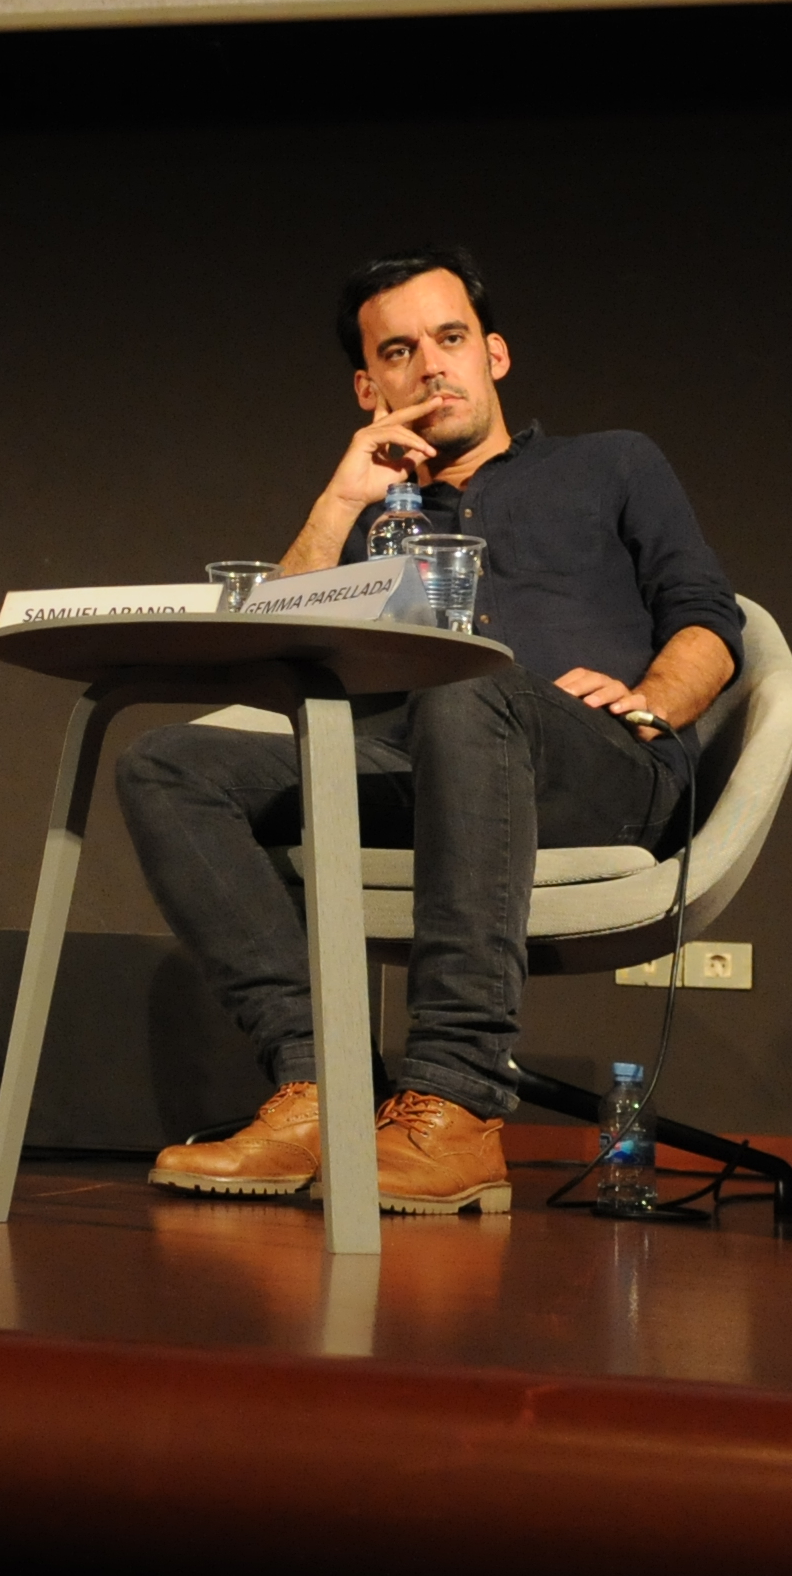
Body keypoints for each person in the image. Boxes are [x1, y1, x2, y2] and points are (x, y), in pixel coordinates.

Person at [120, 247, 741, 1213]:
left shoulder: (612, 461)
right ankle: (321, 1086)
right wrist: (339, 502)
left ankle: (456, 1096)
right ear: (370, 385)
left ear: (494, 354)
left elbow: (708, 616)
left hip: (598, 764)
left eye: (451, 339)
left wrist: (653, 701)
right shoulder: (379, 517)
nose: (431, 366)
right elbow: (269, 645)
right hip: (426, 768)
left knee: (467, 684)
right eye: (401, 351)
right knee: (168, 765)